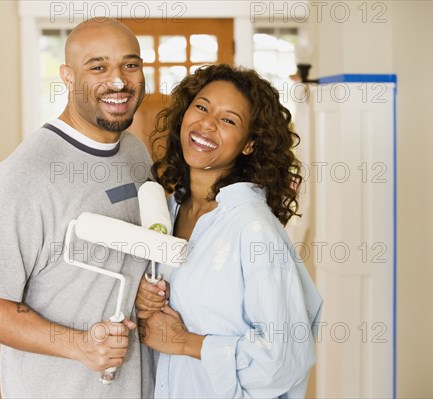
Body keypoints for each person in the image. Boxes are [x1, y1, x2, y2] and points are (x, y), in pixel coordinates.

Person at [0, 18, 155, 398]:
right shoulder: (23, 176)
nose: (118, 81)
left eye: (130, 65)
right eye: (98, 67)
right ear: (67, 76)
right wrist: (79, 345)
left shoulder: (134, 151)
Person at [135, 64, 323, 398]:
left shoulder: (254, 230)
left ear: (249, 144)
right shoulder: (170, 210)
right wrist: (142, 299)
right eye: (202, 107)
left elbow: (285, 360)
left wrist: (184, 343)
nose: (207, 124)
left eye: (228, 120)